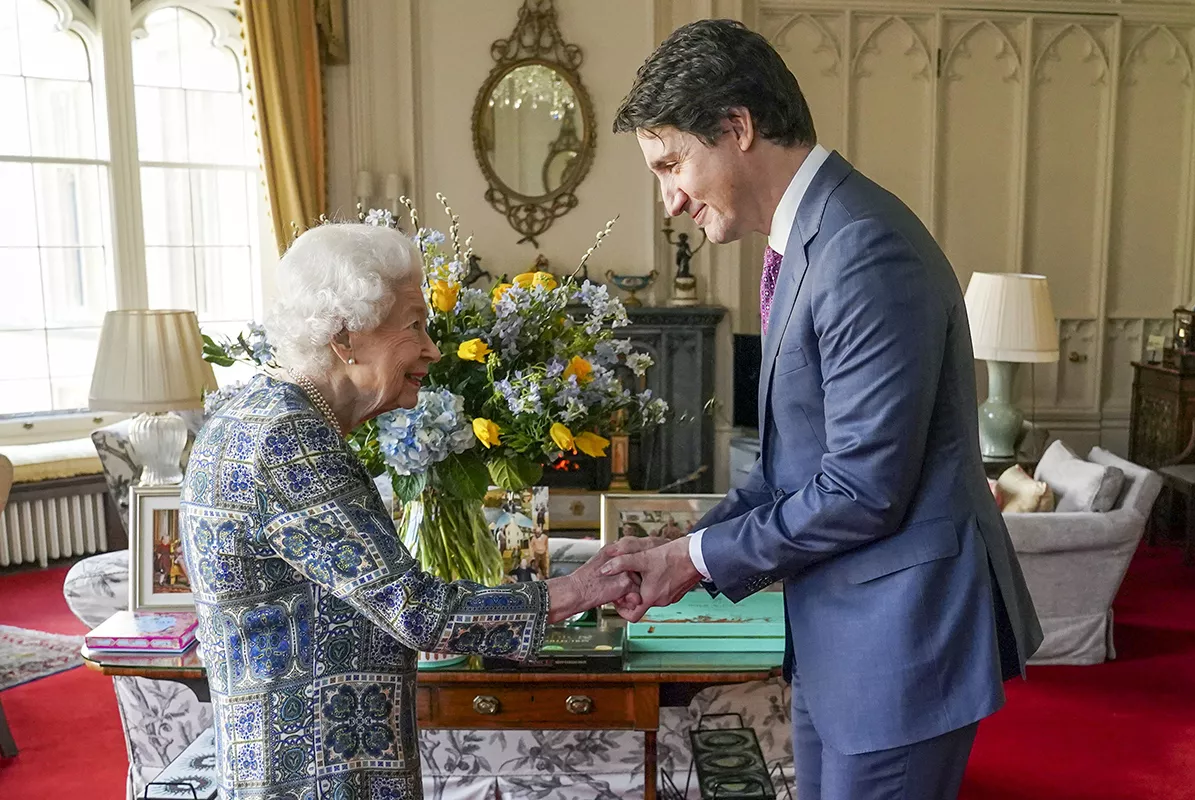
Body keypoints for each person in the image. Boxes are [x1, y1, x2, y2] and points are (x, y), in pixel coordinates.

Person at [605, 19, 1043, 800]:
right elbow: (791, 468)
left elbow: (862, 492)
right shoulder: (807, 239)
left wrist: (689, 563)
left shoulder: (864, 246)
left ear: (737, 127)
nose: (669, 198)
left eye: (672, 163)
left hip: (901, 643)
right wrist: (681, 546)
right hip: (844, 637)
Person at [178, 223, 637, 800]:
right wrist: (580, 590)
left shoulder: (255, 413)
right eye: (415, 325)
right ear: (347, 336)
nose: (433, 350)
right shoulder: (287, 438)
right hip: (317, 775)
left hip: (288, 766)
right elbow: (417, 611)